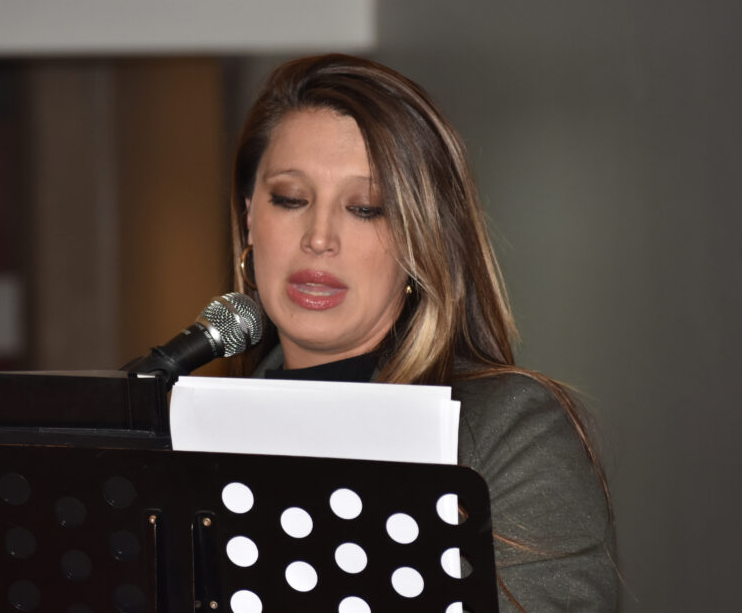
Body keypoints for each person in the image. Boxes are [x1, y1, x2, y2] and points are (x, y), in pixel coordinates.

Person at [228, 53, 617, 611]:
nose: (319, 237)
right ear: (249, 217)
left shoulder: (508, 431)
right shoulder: (190, 433)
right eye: (291, 199)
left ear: (421, 239)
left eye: (366, 208)